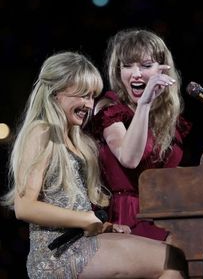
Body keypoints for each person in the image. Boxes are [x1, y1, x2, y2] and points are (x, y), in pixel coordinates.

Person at [0, 51, 188, 278]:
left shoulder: (76, 139)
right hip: (58, 255)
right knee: (172, 260)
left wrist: (102, 226)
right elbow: (25, 207)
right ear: (54, 93)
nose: (89, 104)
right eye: (82, 95)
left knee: (176, 257)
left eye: (92, 96)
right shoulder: (41, 131)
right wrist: (84, 219)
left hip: (81, 242)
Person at [91, 28, 192, 242]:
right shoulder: (110, 108)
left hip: (164, 213)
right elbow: (129, 158)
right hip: (127, 218)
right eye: (127, 66)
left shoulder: (166, 118)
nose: (136, 74)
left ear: (163, 70)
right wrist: (144, 102)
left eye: (145, 66)